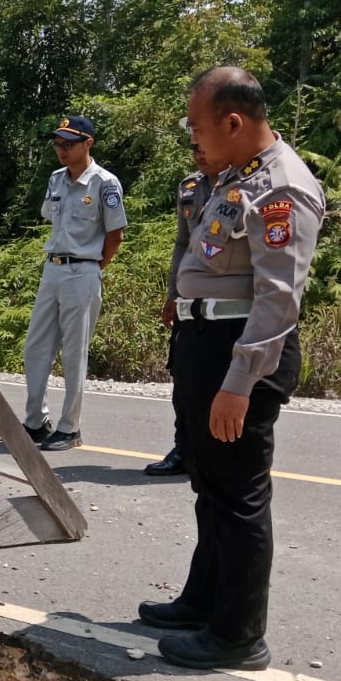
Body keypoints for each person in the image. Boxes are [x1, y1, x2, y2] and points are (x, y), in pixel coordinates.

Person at [137, 66, 325, 671]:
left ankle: (239, 635)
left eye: (197, 126)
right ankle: (204, 602)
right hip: (206, 340)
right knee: (209, 482)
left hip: (238, 351)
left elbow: (277, 300)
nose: (192, 138)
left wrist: (239, 383)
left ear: (234, 121)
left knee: (239, 493)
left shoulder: (281, 188)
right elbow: (204, 250)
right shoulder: (233, 177)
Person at [22, 115, 128, 452]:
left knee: (73, 353)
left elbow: (116, 235)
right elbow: (48, 217)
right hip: (52, 268)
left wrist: (94, 267)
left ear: (88, 144)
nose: (61, 150)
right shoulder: (56, 180)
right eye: (58, 144)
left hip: (82, 271)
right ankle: (36, 422)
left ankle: (69, 428)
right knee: (36, 347)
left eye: (68, 144)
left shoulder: (105, 183)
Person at [146, 139, 220, 477]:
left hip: (227, 300)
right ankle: (184, 448)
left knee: (222, 378)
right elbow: (181, 242)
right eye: (195, 149)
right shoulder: (189, 187)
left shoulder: (243, 187)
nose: (200, 154)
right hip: (190, 297)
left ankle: (218, 452)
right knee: (184, 376)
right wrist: (172, 292)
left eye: (206, 146)